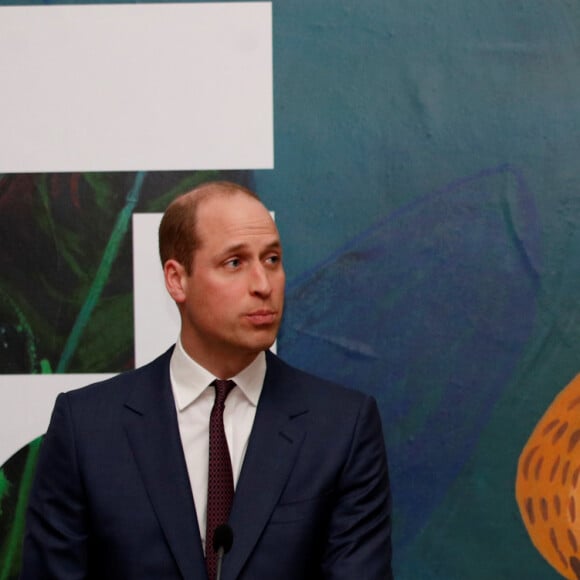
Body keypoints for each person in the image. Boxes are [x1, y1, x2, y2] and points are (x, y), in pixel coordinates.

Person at [21, 181, 393, 579]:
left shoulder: (341, 427)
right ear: (177, 280)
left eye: (271, 260)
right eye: (234, 263)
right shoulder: (87, 427)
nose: (263, 285)